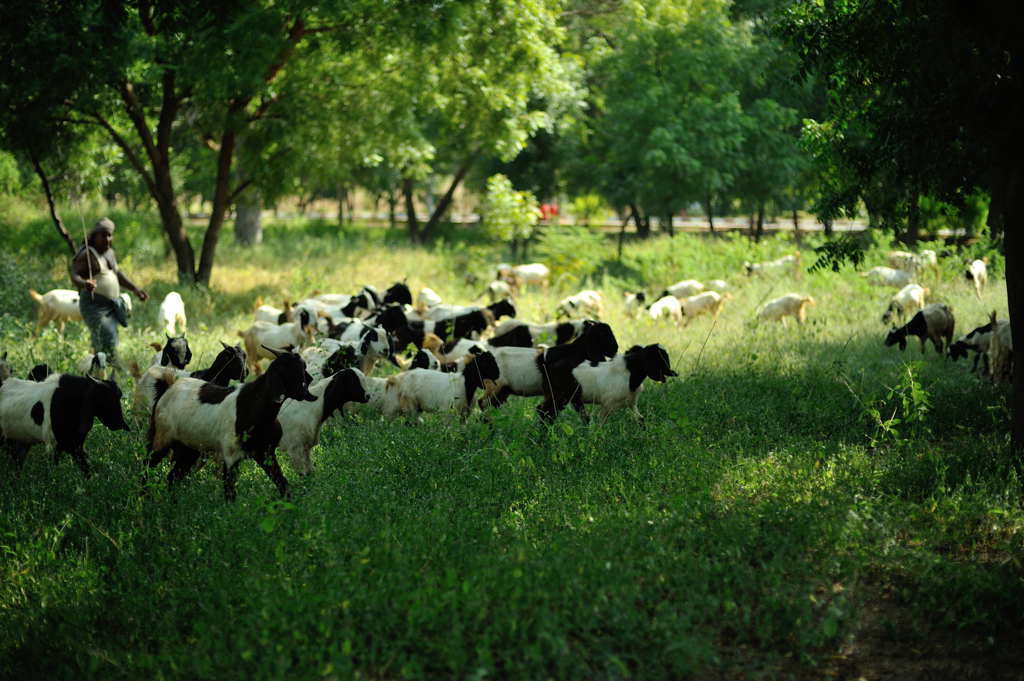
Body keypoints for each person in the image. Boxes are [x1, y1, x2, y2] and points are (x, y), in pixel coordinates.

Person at [70, 217, 149, 367]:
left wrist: (135, 289)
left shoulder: (109, 253)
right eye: (103, 236)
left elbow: (117, 274)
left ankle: (94, 367)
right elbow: (74, 275)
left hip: (110, 305)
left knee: (104, 338)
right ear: (94, 237)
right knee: (107, 337)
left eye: (109, 235)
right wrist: (83, 284)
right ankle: (117, 370)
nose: (107, 239)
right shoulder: (87, 255)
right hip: (94, 306)